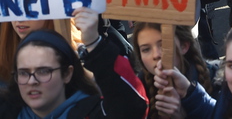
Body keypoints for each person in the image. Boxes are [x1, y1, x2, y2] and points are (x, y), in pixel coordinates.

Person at [1, 23, 148, 119]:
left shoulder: (92, 112)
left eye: (43, 71)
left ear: (67, 73)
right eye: (24, 73)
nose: (32, 81)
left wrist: (94, 43)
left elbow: (131, 108)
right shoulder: (7, 111)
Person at [131, 23, 214, 119]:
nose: (156, 55)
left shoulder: (219, 81)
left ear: (184, 46)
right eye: (146, 49)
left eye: (163, 45)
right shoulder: (135, 95)